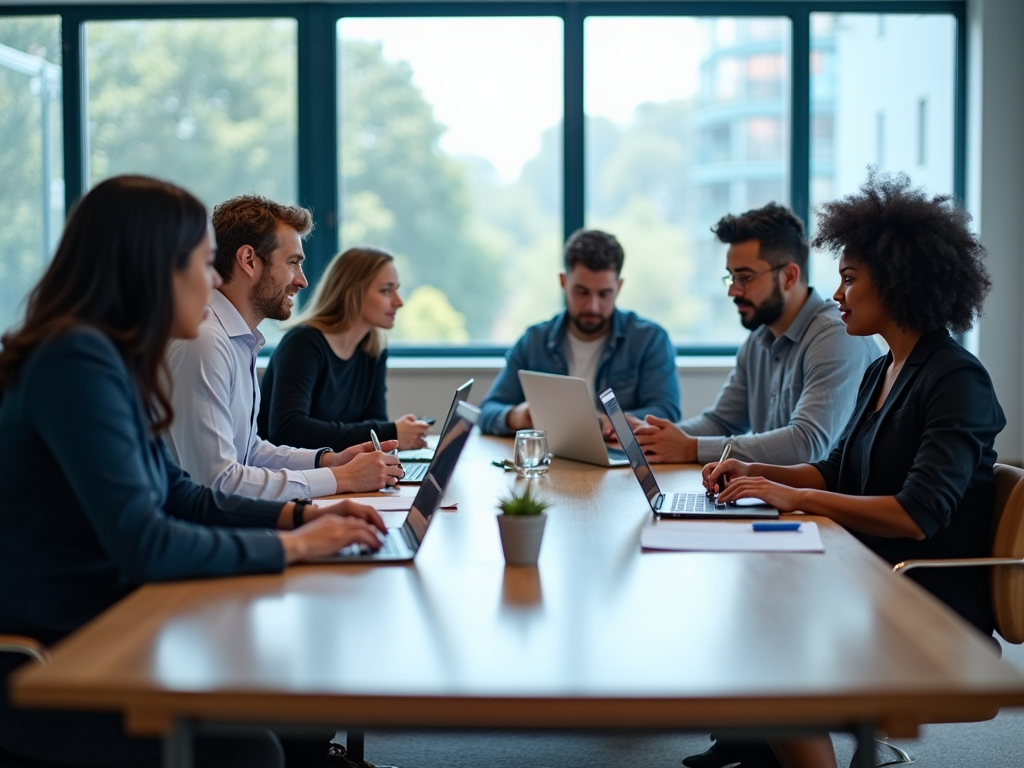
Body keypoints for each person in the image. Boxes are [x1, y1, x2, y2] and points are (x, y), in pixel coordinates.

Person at [0, 176, 388, 767]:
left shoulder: (113, 361)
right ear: (150, 268)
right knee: (255, 749)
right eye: (203, 264)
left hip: (113, 621)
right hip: (61, 654)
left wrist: (301, 519)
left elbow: (182, 493)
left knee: (294, 703)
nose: (212, 283)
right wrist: (293, 547)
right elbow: (147, 542)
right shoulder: (75, 363)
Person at [695, 171, 1004, 768]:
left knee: (773, 643)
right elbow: (836, 470)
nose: (837, 297)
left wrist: (797, 500)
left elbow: (916, 515)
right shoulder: (882, 370)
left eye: (849, 280)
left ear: (897, 283)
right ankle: (765, 749)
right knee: (753, 603)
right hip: (872, 572)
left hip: (925, 597)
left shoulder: (956, 380)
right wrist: (754, 474)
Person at [165, 195, 404, 501]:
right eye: (292, 263)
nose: (302, 281)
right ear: (249, 260)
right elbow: (218, 482)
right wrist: (341, 478)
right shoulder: (205, 342)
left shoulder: (238, 339)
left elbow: (248, 452)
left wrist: (328, 461)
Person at [633, 203, 877, 465]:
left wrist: (691, 448)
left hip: (819, 503)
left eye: (745, 278)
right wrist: (651, 437)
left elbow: (807, 445)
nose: (733, 291)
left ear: (789, 276)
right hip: (774, 498)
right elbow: (721, 422)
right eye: (731, 278)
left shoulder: (836, 336)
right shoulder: (759, 339)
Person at [479, 229, 681, 436]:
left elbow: (667, 414)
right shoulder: (534, 340)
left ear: (619, 287)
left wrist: (608, 422)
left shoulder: (649, 340)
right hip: (551, 459)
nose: (592, 306)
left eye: (604, 294)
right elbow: (487, 411)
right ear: (563, 282)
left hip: (620, 461)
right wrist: (517, 415)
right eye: (582, 292)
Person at [258, 247, 430, 453]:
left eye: (396, 289)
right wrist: (390, 433)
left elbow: (375, 421)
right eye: (386, 290)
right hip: (289, 477)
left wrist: (391, 434)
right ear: (353, 292)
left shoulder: (373, 349)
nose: (398, 301)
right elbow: (288, 430)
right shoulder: (302, 343)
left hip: (339, 474)